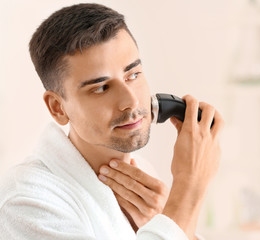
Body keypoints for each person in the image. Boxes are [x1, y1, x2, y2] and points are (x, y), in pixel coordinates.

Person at [0, 3, 224, 240]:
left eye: (133, 75)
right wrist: (188, 188)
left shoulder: (142, 181)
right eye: (102, 88)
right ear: (58, 107)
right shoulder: (25, 202)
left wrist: (162, 222)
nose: (131, 100)